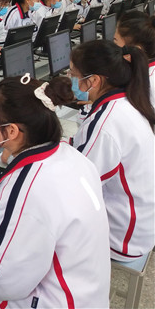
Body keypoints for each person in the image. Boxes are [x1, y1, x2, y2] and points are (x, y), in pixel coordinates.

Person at [0, 75, 110, 309]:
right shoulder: (72, 157)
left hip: (53, 302)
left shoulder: (28, 187)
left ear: (11, 131)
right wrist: (11, 198)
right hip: (85, 293)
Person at [70, 40, 155, 263]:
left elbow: (76, 186)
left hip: (122, 238)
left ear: (94, 81)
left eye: (74, 75)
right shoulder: (128, 100)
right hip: (141, 223)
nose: (71, 80)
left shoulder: (105, 123)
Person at [114, 11, 155, 107]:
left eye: (115, 42)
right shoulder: (144, 70)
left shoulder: (146, 83)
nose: (113, 47)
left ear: (134, 50)